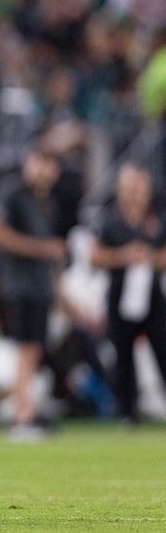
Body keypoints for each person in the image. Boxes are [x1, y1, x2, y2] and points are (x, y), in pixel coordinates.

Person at [0, 141, 66, 441]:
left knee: (34, 348)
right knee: (24, 348)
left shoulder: (46, 203)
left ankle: (26, 409)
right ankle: (20, 415)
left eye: (50, 164)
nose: (44, 170)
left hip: (40, 285)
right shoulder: (11, 192)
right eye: (40, 162)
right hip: (19, 283)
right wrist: (41, 249)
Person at [90, 162, 166, 427]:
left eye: (140, 186)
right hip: (120, 294)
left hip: (152, 295)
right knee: (123, 355)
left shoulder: (156, 218)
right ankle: (128, 412)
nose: (135, 192)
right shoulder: (110, 219)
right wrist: (122, 256)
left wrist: (150, 257)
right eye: (131, 186)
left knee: (162, 349)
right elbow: (94, 256)